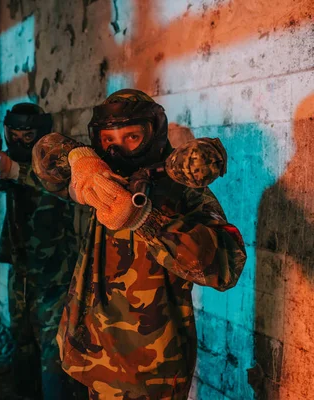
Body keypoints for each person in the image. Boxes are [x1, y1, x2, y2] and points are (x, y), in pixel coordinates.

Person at [33, 89, 247, 399]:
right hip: (94, 357)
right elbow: (45, 158)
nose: (118, 148)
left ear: (154, 133)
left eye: (132, 137)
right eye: (108, 140)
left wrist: (145, 219)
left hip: (150, 372)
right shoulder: (103, 177)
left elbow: (225, 268)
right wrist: (80, 159)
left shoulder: (180, 190)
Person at [0, 103, 87, 399]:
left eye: (26, 135)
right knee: (22, 344)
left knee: (53, 350)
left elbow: (63, 186)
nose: (19, 141)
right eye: (13, 134)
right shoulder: (11, 157)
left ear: (41, 133)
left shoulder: (60, 158)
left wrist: (16, 171)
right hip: (21, 268)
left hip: (55, 272)